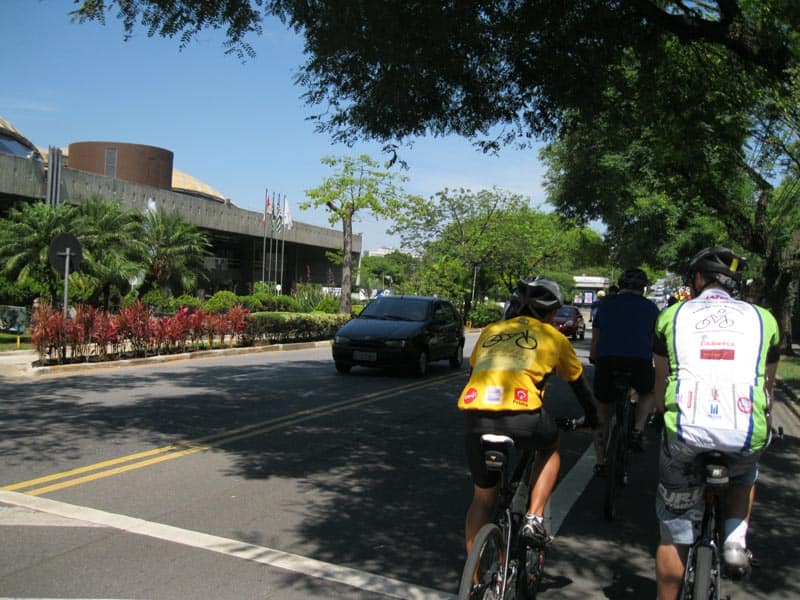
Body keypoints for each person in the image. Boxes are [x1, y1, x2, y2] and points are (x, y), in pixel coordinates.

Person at [652, 247, 780, 600]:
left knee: (674, 533)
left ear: (698, 279)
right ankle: (735, 540)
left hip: (685, 434)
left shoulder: (672, 315)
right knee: (745, 473)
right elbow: (767, 388)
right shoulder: (765, 319)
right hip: (744, 433)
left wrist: (660, 416)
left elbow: (661, 383)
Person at [458, 276, 599, 552]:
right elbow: (580, 387)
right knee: (550, 447)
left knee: (482, 500)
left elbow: (474, 373)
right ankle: (534, 517)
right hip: (524, 417)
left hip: (476, 416)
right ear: (550, 314)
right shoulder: (554, 337)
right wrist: (593, 419)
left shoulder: (491, 330)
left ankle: (473, 576)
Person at [589, 268, 660, 472]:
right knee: (648, 392)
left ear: (620, 285)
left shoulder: (605, 305)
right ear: (643, 288)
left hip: (608, 361)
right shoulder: (651, 308)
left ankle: (600, 461)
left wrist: (594, 356)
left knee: (602, 410)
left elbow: (596, 337)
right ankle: (638, 428)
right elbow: (654, 340)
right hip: (639, 361)